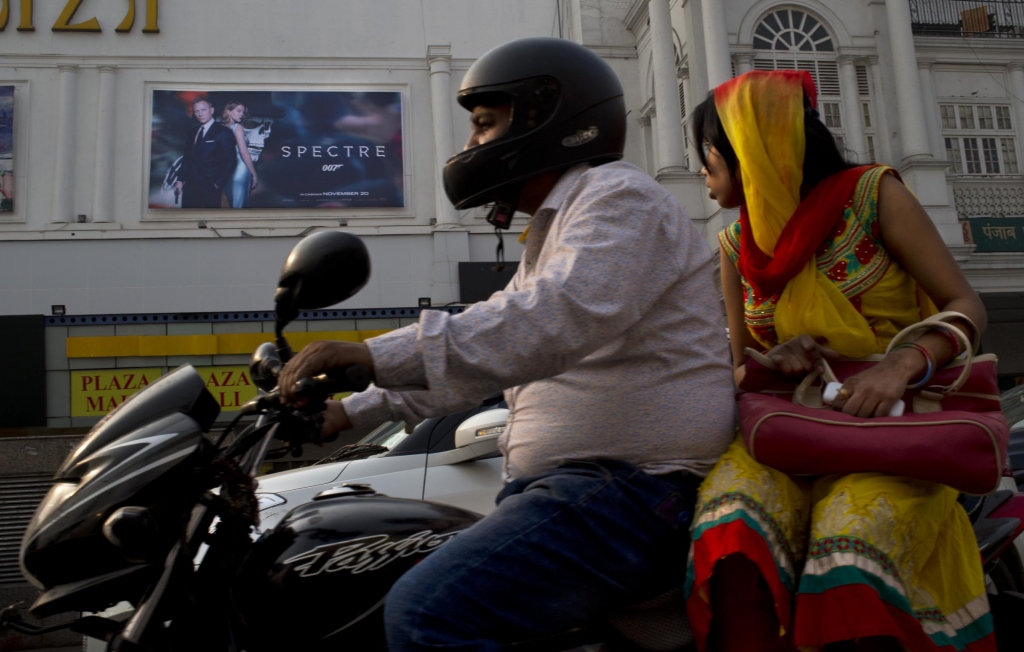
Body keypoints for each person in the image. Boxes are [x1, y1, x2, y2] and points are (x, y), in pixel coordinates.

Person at [277, 37, 736, 651]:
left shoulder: (618, 199)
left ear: (548, 118)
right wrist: (350, 411)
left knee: (427, 612)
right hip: (594, 491)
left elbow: (549, 319)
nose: (472, 146)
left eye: (485, 125)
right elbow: (499, 346)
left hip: (632, 491)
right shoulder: (560, 224)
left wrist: (372, 356)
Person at [685, 70, 992, 652]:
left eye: (709, 154)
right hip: (789, 434)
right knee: (730, 533)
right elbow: (740, 372)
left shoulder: (874, 194)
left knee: (849, 548)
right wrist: (771, 359)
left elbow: (965, 304)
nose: (703, 170)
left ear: (754, 147)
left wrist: (899, 365)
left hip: (889, 425)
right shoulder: (731, 249)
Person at [173, 98, 237, 208]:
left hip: (209, 188)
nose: (200, 114)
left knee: (209, 220)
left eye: (203, 110)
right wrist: (180, 180)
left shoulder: (223, 132)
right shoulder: (192, 131)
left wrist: (217, 184)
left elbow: (231, 161)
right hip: (189, 186)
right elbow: (187, 158)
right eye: (196, 111)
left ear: (211, 110)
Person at [220, 101, 259, 208]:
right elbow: (244, 152)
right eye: (238, 111)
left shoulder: (221, 128)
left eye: (243, 112)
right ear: (228, 111)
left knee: (233, 204)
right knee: (240, 205)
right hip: (241, 169)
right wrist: (254, 174)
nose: (241, 114)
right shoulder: (237, 127)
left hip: (226, 170)